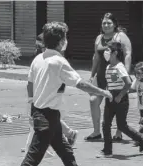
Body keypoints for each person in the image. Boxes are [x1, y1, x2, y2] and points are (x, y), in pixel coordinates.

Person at [21, 21, 113, 166]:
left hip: (46, 113)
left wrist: (32, 103)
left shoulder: (38, 59)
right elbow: (80, 83)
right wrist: (102, 91)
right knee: (32, 160)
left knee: (66, 153)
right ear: (61, 41)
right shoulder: (58, 61)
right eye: (65, 37)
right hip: (47, 117)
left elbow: (30, 83)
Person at [96, 41, 143, 158]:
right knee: (106, 124)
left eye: (108, 50)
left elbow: (128, 83)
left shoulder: (120, 67)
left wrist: (120, 96)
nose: (105, 53)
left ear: (114, 53)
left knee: (121, 125)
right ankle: (107, 150)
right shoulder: (109, 66)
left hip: (121, 99)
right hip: (110, 97)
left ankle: (141, 138)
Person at [86, 12, 132, 141]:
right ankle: (96, 132)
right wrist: (92, 74)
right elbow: (96, 57)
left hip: (116, 75)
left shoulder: (121, 36)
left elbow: (128, 54)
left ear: (115, 24)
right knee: (93, 100)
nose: (106, 25)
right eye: (104, 23)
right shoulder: (98, 38)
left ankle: (118, 132)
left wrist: (126, 72)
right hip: (101, 74)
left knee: (117, 102)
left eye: (109, 23)